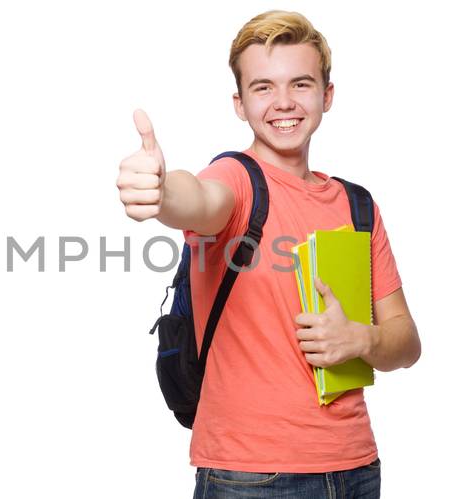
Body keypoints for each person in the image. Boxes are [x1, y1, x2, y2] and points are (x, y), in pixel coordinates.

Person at [116, 10, 420, 498]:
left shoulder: (357, 204)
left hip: (357, 468)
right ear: (239, 104)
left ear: (327, 94)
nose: (283, 103)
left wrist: (360, 339)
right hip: (251, 477)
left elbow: (406, 342)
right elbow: (198, 199)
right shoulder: (235, 180)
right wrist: (160, 194)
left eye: (300, 84)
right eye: (262, 88)